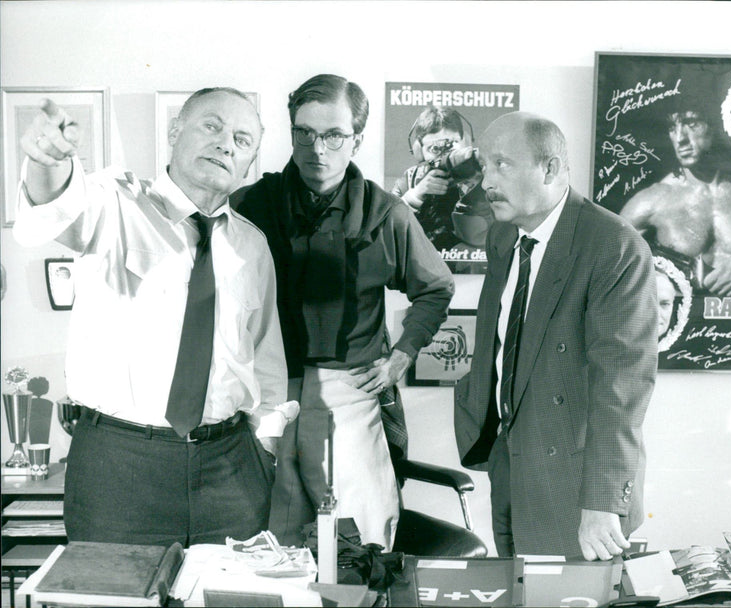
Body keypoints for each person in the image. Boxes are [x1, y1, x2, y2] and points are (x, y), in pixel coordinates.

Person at [13, 88, 297, 547]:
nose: (227, 144)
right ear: (174, 131)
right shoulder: (114, 203)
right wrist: (49, 163)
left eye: (243, 140)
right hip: (118, 470)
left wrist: (264, 450)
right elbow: (53, 209)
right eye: (212, 126)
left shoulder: (252, 246)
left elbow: (266, 360)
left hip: (232, 475)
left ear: (248, 165)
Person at [232, 74, 454, 551]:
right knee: (265, 541)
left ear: (357, 137)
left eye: (334, 135)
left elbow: (435, 288)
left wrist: (402, 354)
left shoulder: (387, 213)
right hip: (263, 393)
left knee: (363, 539)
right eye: (304, 133)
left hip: (348, 392)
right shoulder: (250, 206)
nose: (318, 149)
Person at [454, 112, 658, 560]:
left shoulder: (613, 246)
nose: (486, 180)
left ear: (549, 169)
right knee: (514, 591)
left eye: (501, 164)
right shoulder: (504, 236)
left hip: (575, 480)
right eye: (484, 165)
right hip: (509, 462)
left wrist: (603, 503)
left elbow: (621, 386)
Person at [620, 102, 731, 296]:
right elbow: (607, 268)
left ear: (717, 126)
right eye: (673, 128)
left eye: (692, 123)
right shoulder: (651, 201)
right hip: (687, 322)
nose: (680, 139)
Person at [391, 106, 492, 252]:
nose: (444, 154)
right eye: (435, 149)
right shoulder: (411, 179)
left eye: (451, 145)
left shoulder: (487, 177)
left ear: (466, 142)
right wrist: (415, 196)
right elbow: (386, 227)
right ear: (419, 151)